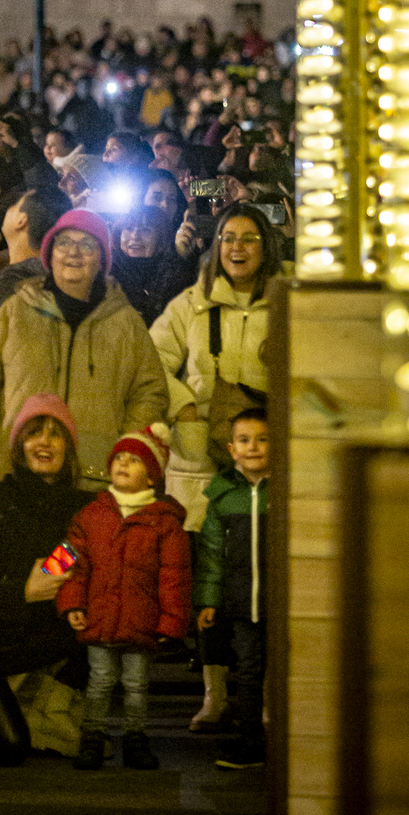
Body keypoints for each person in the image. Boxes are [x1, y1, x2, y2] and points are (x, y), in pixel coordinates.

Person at [0, 208, 170, 489]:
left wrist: (123, 448)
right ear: (49, 254)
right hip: (13, 472)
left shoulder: (126, 322)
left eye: (87, 245)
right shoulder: (17, 308)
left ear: (102, 259)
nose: (74, 252)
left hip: (93, 478)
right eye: (64, 243)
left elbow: (150, 391)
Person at [0, 394, 89, 765]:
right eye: (34, 433)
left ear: (69, 447)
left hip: (60, 641)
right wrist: (23, 591)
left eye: (56, 434)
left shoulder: (84, 510)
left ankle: (53, 712)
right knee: (8, 748)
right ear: (19, 446)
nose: (45, 442)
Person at [57, 422, 191, 771]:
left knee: (136, 684)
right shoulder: (90, 515)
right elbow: (71, 559)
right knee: (99, 682)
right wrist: (71, 601)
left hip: (141, 621)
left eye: (134, 460)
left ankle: (135, 739)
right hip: (99, 616)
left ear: (152, 477)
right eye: (119, 457)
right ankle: (92, 737)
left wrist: (171, 621)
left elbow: (174, 576)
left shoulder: (165, 523)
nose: (123, 464)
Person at [150, 202, 281, 527]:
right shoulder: (189, 304)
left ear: (266, 247)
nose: (237, 246)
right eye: (228, 237)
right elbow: (148, 364)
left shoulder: (289, 305)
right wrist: (184, 406)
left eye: (250, 238)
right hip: (197, 461)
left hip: (264, 457)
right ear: (217, 245)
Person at [195, 407, 270, 768]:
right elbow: (211, 554)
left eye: (262, 439)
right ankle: (250, 742)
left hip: (282, 601)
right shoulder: (223, 496)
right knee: (249, 673)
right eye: (244, 440)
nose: (253, 447)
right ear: (231, 448)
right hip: (242, 604)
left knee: (288, 672)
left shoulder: (287, 490)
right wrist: (209, 600)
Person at [0, 188, 62, 361]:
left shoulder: (15, 282)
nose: (8, 209)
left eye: (15, 206)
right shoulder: (50, 276)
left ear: (22, 221)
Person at [110, 206, 194, 327]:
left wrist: (178, 259)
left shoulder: (175, 271)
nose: (135, 236)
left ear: (160, 239)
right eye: (128, 228)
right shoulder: (107, 272)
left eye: (146, 230)